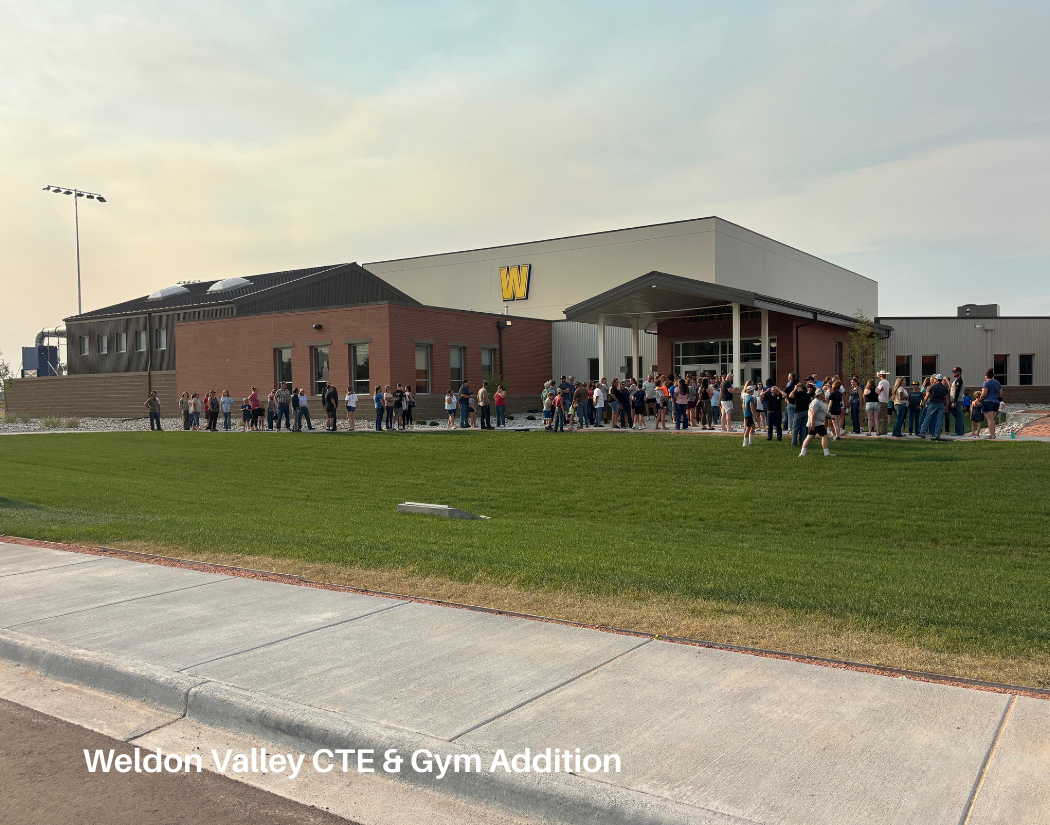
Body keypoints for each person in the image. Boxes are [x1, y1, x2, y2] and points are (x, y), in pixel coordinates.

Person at [799, 388, 835, 457]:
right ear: (819, 395)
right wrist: (813, 424)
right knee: (824, 436)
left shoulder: (819, 402)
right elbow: (813, 413)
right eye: (823, 394)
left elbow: (822, 413)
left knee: (810, 437)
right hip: (817, 423)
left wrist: (830, 417)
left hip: (815, 422)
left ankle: (802, 453)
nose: (824, 395)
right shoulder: (816, 402)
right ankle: (826, 452)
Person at [919, 373, 949, 439]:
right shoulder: (944, 388)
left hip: (933, 403)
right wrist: (946, 406)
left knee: (928, 418)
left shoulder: (932, 387)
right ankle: (937, 434)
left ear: (937, 379)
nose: (934, 380)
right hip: (941, 404)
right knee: (939, 419)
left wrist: (923, 403)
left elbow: (927, 396)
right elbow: (946, 398)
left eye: (935, 379)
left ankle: (922, 433)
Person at [978, 367, 1002, 439]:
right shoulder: (997, 382)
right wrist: (999, 398)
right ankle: (993, 434)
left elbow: (984, 393)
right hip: (996, 402)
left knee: (990, 419)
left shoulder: (986, 383)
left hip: (988, 402)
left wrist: (979, 399)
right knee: (992, 419)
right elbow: (1001, 392)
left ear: (986, 375)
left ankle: (992, 435)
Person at [789, 380, 812, 447]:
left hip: (798, 412)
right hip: (805, 411)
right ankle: (803, 442)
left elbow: (790, 396)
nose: (797, 388)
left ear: (801, 387)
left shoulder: (799, 393)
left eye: (798, 387)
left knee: (795, 428)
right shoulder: (807, 394)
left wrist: (794, 390)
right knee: (803, 427)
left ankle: (794, 443)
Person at [948, 367, 965, 437]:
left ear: (959, 372)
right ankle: (960, 431)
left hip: (957, 400)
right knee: (958, 416)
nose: (954, 373)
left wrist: (954, 401)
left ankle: (959, 432)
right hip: (956, 400)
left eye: (955, 372)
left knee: (958, 416)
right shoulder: (957, 380)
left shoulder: (959, 380)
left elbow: (957, 391)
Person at [876, 369, 891, 435]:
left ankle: (881, 430)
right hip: (886, 400)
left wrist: (879, 390)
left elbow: (877, 391)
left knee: (881, 416)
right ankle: (885, 429)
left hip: (881, 400)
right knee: (885, 415)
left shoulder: (881, 382)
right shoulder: (887, 382)